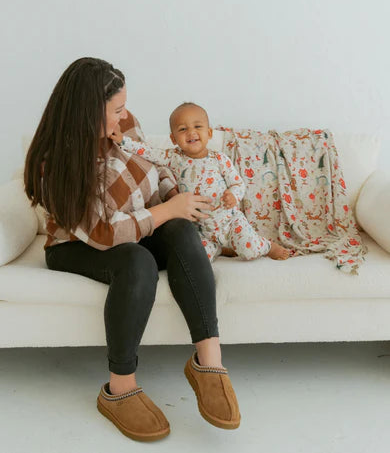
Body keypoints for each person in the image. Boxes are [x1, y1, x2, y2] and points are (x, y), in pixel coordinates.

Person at [24, 57, 240, 442]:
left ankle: (209, 363)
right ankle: (119, 390)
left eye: (124, 107)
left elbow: (156, 165)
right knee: (136, 260)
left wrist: (176, 199)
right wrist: (166, 210)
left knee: (180, 227)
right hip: (79, 245)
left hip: (137, 224)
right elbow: (104, 233)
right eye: (117, 110)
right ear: (89, 111)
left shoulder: (123, 123)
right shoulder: (56, 160)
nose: (124, 117)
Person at [111, 102, 291, 262]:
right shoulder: (173, 157)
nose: (191, 132)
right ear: (173, 139)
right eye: (182, 129)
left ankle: (267, 246)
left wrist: (233, 195)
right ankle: (221, 248)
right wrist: (123, 141)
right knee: (198, 258)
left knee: (250, 251)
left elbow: (238, 184)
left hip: (228, 221)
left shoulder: (219, 159)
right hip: (201, 228)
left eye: (197, 126)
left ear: (209, 133)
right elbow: (147, 151)